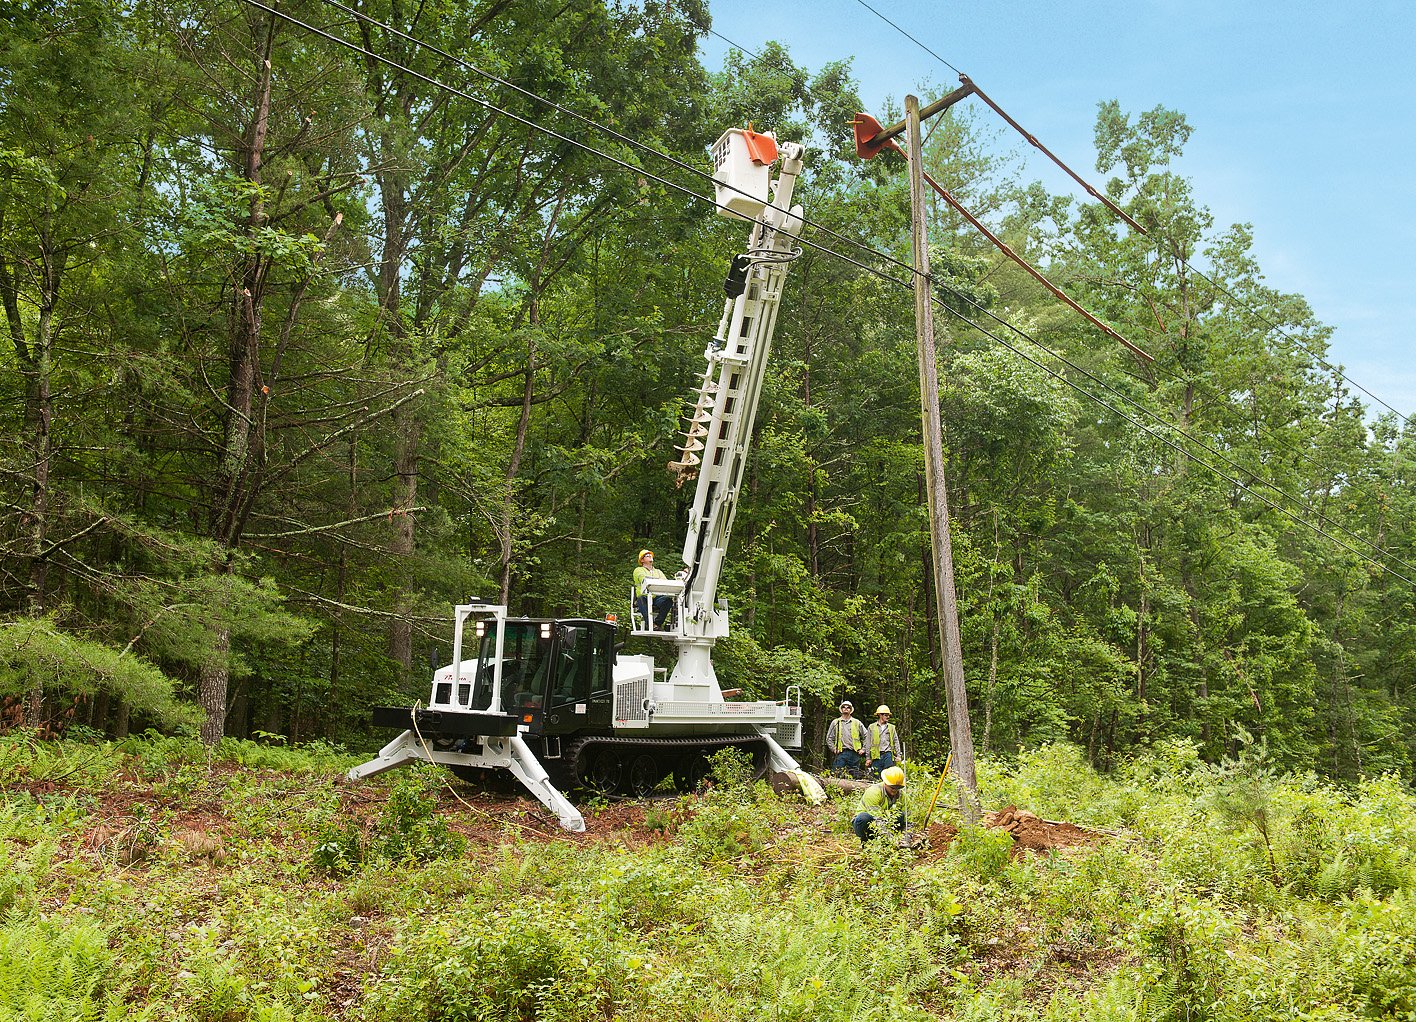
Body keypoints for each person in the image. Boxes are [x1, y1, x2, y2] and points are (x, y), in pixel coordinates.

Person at [852, 765, 907, 845]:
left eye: (898, 787)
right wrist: (891, 841)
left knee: (901, 815)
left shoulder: (902, 796)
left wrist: (906, 838)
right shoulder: (874, 792)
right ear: (885, 783)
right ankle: (865, 841)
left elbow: (908, 820)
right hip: (870, 822)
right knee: (863, 818)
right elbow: (877, 819)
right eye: (892, 787)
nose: (895, 790)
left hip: (887, 822)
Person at [632, 549, 672, 629]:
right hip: (645, 597)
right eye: (647, 555)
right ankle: (650, 624)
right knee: (641, 599)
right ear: (642, 560)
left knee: (668, 600)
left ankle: (657, 624)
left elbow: (665, 582)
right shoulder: (638, 570)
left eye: (650, 555)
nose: (650, 556)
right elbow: (643, 579)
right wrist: (657, 580)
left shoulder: (658, 571)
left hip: (657, 597)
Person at [825, 700, 867, 774]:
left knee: (854, 776)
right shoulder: (835, 722)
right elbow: (829, 738)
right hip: (841, 753)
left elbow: (867, 736)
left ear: (851, 710)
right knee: (837, 775)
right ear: (841, 709)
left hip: (855, 753)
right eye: (844, 707)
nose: (846, 708)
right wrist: (834, 749)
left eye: (848, 707)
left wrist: (863, 749)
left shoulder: (857, 722)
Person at [867, 704, 904, 777]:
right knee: (876, 776)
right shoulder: (872, 727)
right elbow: (868, 743)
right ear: (880, 715)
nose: (888, 717)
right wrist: (868, 758)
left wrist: (898, 755)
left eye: (888, 715)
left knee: (889, 776)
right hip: (876, 755)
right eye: (886, 715)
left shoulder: (891, 727)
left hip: (888, 754)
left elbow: (896, 741)